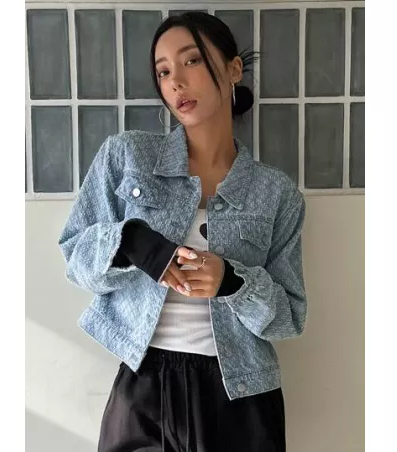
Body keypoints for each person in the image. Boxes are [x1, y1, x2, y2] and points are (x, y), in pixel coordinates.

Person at [59, 11, 307, 452]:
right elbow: (76, 258)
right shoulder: (127, 156)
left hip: (242, 397)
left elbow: (289, 318)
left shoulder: (276, 193)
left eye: (191, 61)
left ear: (233, 69)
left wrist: (232, 282)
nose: (176, 82)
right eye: (163, 71)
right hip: (143, 389)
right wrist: (131, 242)